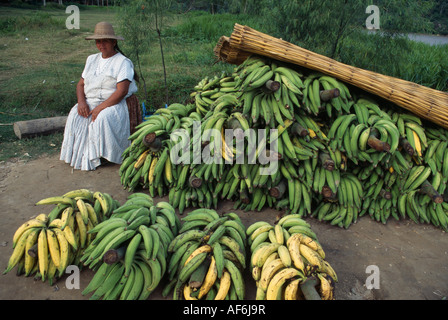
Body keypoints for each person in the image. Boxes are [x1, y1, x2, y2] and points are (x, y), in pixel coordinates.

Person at [60, 21, 138, 171]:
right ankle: (84, 153)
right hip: (91, 100)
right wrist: (82, 102)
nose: (101, 45)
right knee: (75, 114)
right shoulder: (91, 59)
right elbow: (80, 85)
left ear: (114, 42)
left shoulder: (123, 62)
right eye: (98, 41)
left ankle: (104, 155)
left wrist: (100, 108)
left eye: (105, 41)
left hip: (115, 103)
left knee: (103, 118)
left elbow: (121, 91)